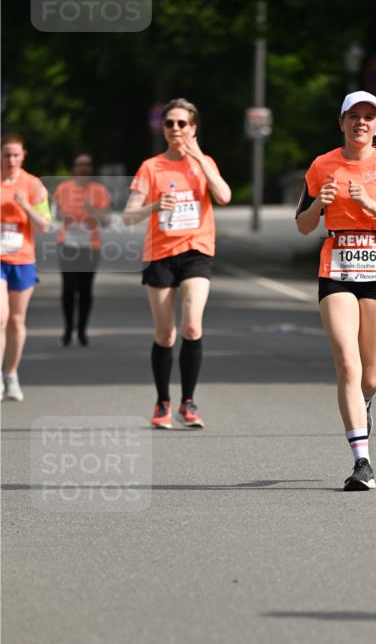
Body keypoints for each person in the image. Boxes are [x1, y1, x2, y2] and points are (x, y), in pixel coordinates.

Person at [296, 91, 376, 490]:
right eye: (354, 116)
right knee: (347, 364)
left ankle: (364, 402)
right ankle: (362, 462)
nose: (361, 122)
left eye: (369, 117)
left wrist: (370, 204)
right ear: (342, 122)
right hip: (336, 268)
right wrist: (318, 204)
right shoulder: (322, 165)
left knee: (371, 375)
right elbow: (302, 224)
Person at [123, 98, 231, 429]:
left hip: (196, 251)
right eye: (169, 123)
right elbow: (128, 216)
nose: (175, 129)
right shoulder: (151, 167)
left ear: (193, 128)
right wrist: (154, 206)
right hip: (160, 255)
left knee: (192, 326)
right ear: (163, 128)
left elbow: (224, 196)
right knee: (166, 334)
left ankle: (188, 402)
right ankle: (162, 402)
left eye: (182, 123)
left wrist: (198, 157)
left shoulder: (204, 162)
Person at [0, 133, 51, 401]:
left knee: (17, 321)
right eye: (6, 154)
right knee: (0, 316)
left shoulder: (34, 185)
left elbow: (44, 225)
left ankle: (12, 373)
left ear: (23, 155)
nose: (11, 159)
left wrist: (25, 205)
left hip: (22, 259)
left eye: (15, 155)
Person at [53, 154, 111, 346]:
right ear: (74, 168)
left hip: (90, 246)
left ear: (91, 169)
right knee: (69, 288)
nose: (84, 168)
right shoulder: (63, 188)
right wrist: (64, 216)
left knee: (85, 289)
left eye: (87, 165)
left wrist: (91, 209)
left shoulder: (99, 190)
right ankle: (69, 328)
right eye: (80, 165)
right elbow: (56, 214)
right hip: (67, 244)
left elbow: (106, 221)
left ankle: (83, 330)